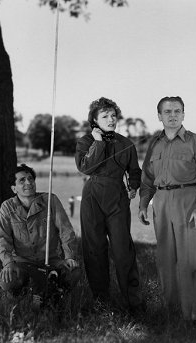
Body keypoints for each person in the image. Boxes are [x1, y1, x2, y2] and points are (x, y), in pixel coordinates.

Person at [138, 96, 196, 324]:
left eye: (177, 111)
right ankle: (172, 313)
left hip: (188, 200)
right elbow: (147, 178)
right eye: (167, 111)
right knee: (165, 260)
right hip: (160, 202)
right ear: (159, 116)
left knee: (192, 260)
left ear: (183, 114)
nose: (172, 115)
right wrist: (144, 204)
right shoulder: (154, 144)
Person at [75, 97, 144, 313]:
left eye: (113, 115)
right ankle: (101, 301)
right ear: (94, 120)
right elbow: (86, 168)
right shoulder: (85, 141)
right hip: (92, 197)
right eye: (105, 116)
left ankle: (133, 302)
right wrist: (98, 143)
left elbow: (135, 170)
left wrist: (133, 185)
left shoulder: (126, 144)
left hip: (118, 198)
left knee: (123, 250)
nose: (111, 119)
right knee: (94, 249)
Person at [0, 164, 81, 310]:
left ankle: (55, 295)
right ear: (14, 188)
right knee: (7, 281)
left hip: (51, 260)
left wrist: (69, 256)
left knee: (74, 272)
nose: (28, 183)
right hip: (22, 263)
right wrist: (8, 263)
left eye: (30, 179)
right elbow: (2, 239)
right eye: (22, 180)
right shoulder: (7, 207)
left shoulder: (50, 200)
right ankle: (24, 295)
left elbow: (66, 230)